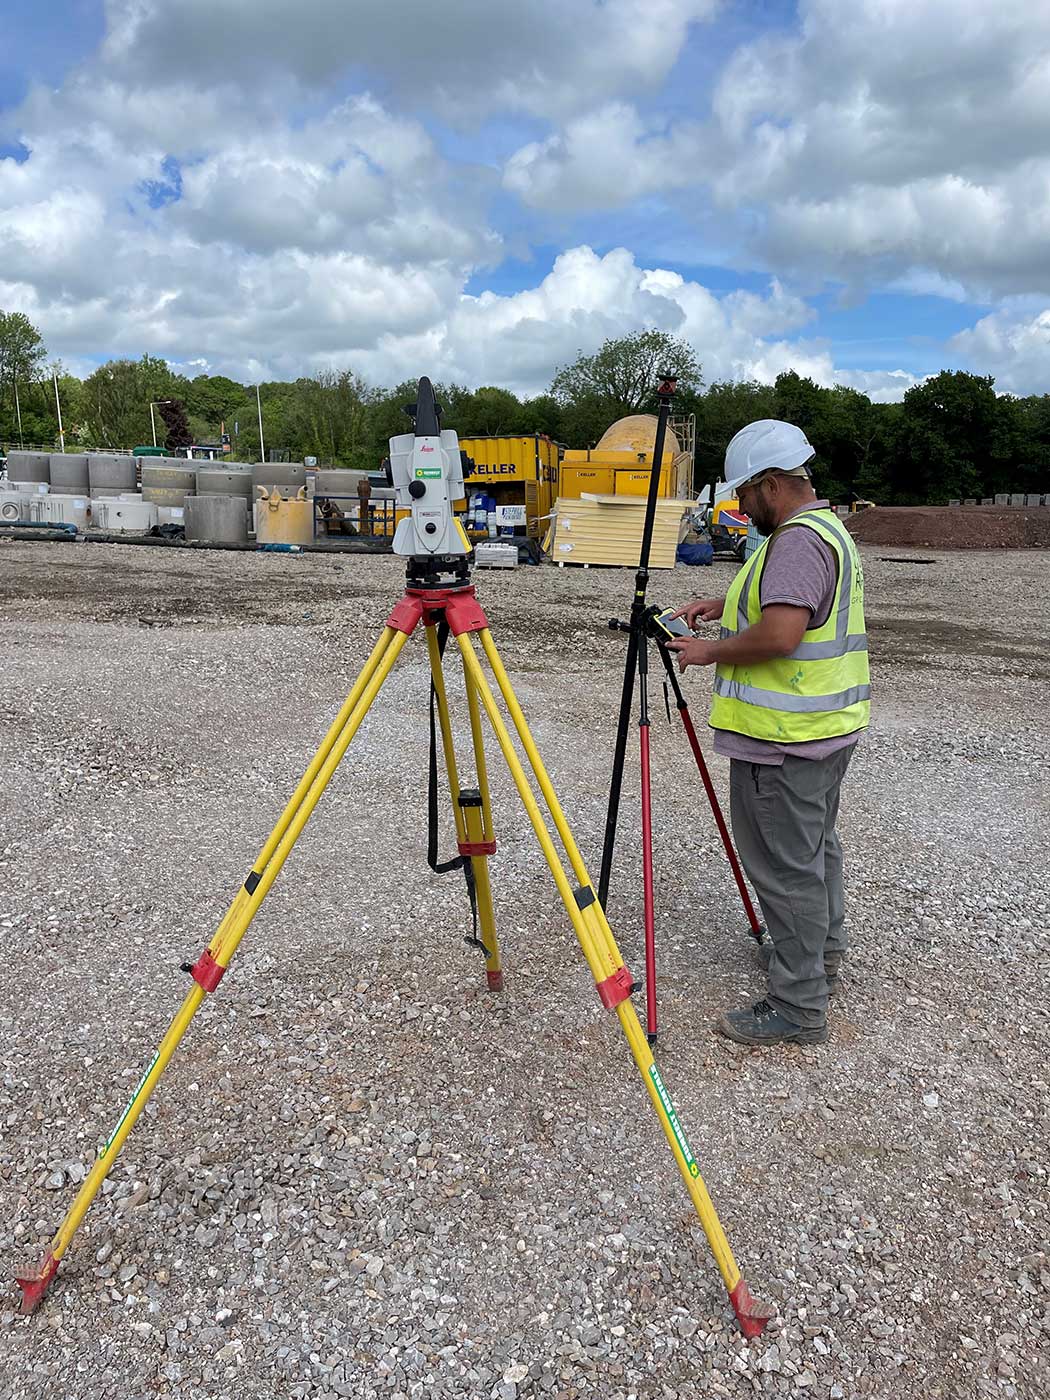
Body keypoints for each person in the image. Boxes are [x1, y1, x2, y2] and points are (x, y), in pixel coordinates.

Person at [667, 420, 870, 1047]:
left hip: (782, 740)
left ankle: (799, 1004)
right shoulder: (823, 528)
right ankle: (820, 957)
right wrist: (721, 606)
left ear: (772, 484)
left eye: (743, 494)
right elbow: (789, 611)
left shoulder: (795, 543)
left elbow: (782, 634)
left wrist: (710, 652)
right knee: (813, 854)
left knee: (786, 870)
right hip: (821, 732)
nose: (738, 506)